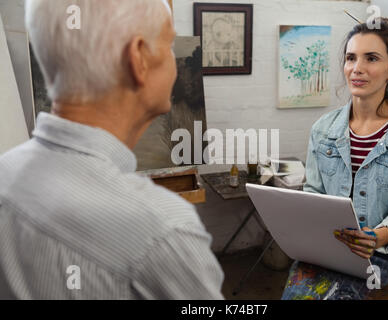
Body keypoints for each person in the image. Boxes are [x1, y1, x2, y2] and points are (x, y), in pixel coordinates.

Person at [0, 0, 224, 299]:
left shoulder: (5, 174)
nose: (175, 60)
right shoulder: (162, 229)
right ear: (139, 58)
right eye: (169, 44)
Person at [282, 18, 388, 300]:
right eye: (351, 58)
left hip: (387, 257)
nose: (357, 68)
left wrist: (376, 237)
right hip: (327, 251)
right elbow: (314, 193)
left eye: (372, 58)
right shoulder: (322, 129)